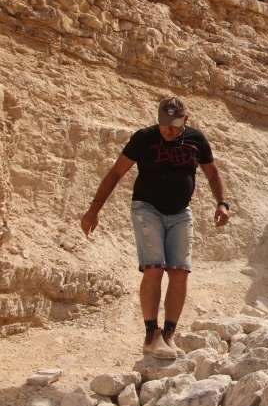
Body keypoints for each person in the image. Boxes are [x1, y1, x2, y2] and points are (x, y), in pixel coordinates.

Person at [80, 97, 230, 359]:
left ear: (186, 119)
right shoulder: (144, 138)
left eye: (174, 125)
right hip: (146, 209)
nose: (168, 131)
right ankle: (151, 335)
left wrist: (222, 203)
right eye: (164, 125)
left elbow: (213, 173)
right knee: (154, 269)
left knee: (180, 272)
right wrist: (94, 209)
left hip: (181, 213)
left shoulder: (196, 139)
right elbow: (116, 172)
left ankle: (169, 334)